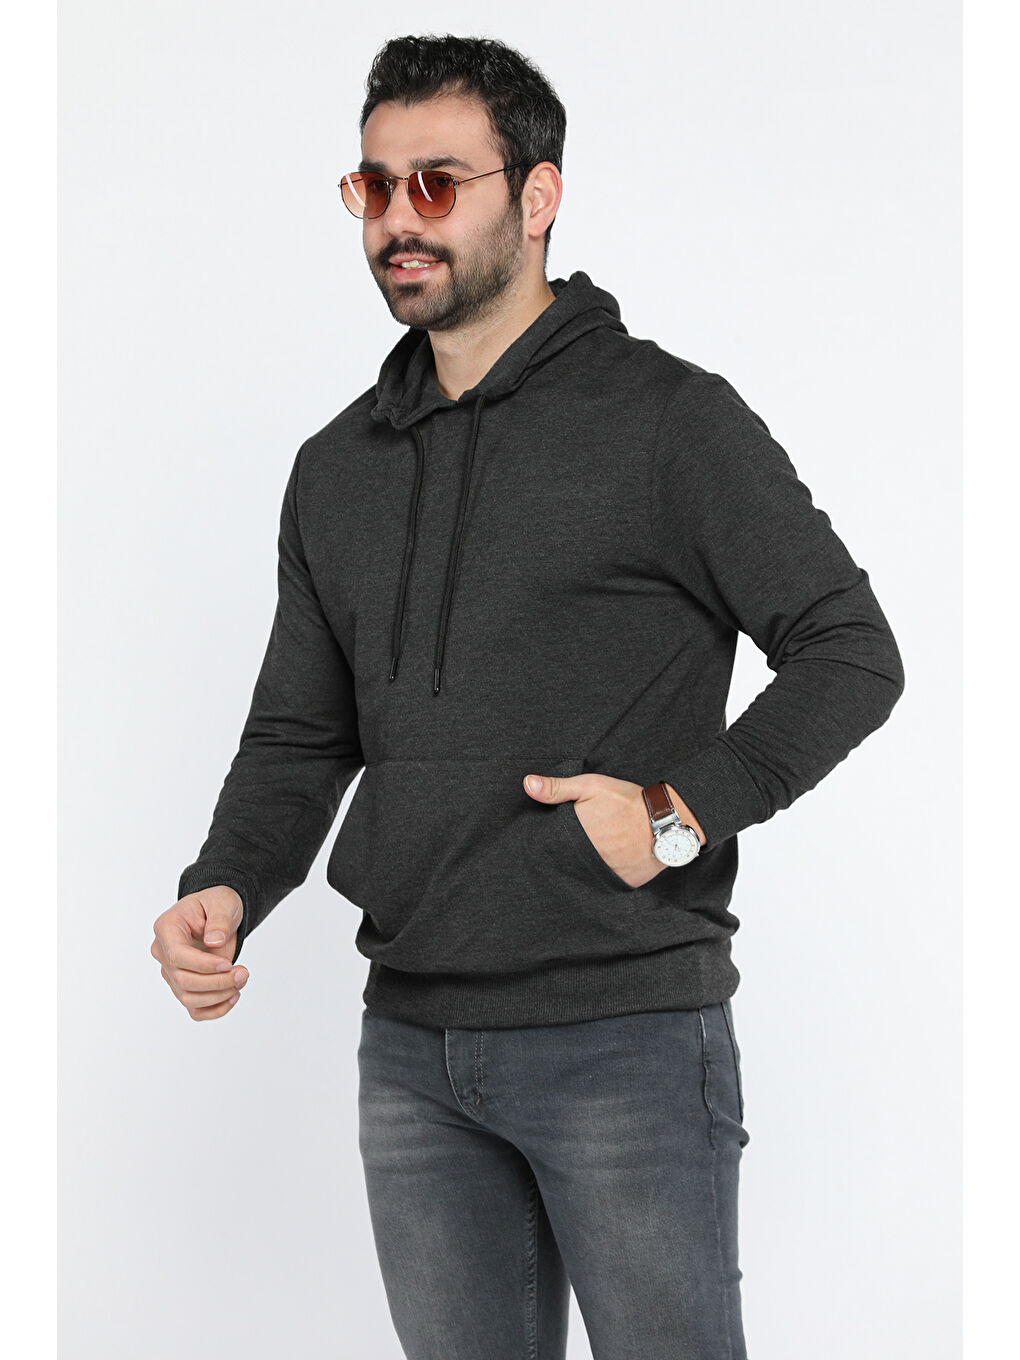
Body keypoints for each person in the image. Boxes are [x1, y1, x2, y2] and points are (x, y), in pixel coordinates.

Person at [151, 32, 906, 1360]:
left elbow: (851, 650)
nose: (398, 219)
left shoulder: (669, 422)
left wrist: (677, 816)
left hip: (626, 1037)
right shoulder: (337, 468)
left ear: (539, 195)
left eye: (437, 183)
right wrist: (225, 883)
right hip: (412, 1050)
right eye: (373, 186)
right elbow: (301, 734)